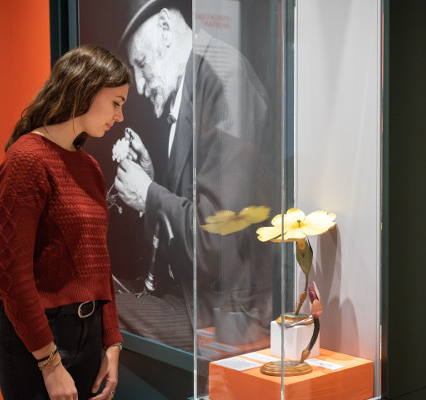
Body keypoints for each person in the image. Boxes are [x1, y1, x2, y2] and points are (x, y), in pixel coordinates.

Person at [112, 0, 277, 353]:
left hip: (228, 317)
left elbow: (217, 239)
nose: (139, 87)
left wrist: (150, 195)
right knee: (94, 295)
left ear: (166, 28)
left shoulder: (221, 78)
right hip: (199, 300)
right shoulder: (196, 81)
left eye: (141, 64)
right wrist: (152, 180)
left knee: (94, 310)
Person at [0, 45, 130, 400]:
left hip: (88, 331)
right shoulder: (27, 160)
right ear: (85, 88)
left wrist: (112, 343)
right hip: (38, 339)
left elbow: (99, 264)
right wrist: (50, 363)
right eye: (115, 102)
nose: (120, 116)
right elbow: (10, 274)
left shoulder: (90, 168)